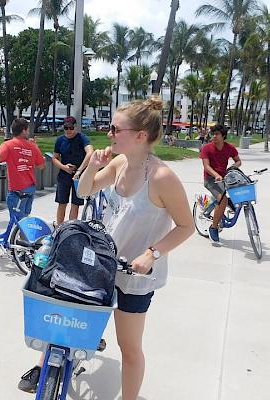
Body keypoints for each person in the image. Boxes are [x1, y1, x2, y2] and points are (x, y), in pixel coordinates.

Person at [18, 98, 194, 398]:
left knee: (130, 348)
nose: (108, 133)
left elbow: (186, 226)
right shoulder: (120, 163)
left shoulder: (162, 177)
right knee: (66, 317)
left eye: (115, 128)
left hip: (134, 276)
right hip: (99, 263)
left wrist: (152, 254)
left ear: (140, 135)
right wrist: (92, 167)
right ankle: (44, 363)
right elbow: (84, 189)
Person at [199, 124, 241, 243]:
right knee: (223, 200)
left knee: (237, 192)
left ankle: (224, 204)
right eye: (213, 133)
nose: (214, 136)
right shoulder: (207, 148)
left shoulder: (230, 148)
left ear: (223, 136)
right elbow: (206, 166)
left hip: (225, 178)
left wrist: (233, 167)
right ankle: (213, 227)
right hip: (210, 179)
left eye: (217, 134)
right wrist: (216, 175)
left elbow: (238, 161)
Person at [52, 116, 93, 225]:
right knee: (62, 202)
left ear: (75, 127)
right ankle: (59, 228)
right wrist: (64, 167)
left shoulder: (82, 138)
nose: (68, 131)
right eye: (66, 128)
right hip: (64, 174)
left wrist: (79, 170)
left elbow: (90, 153)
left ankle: (70, 228)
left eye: (71, 128)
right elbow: (54, 158)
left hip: (78, 176)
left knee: (76, 204)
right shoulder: (60, 140)